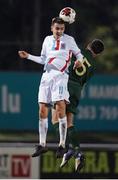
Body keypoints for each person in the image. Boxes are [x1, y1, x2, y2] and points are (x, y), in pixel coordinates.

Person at [18, 17, 83, 157]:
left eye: (62, 29)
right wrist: (28, 56)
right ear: (52, 28)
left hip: (60, 76)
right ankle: (42, 145)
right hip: (46, 76)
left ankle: (62, 145)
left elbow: (80, 55)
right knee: (42, 110)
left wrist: (79, 62)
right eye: (57, 28)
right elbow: (43, 59)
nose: (59, 31)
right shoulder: (47, 40)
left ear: (64, 29)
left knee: (60, 108)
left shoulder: (69, 40)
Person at [51, 39, 104, 172]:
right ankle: (77, 152)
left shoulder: (78, 51)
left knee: (55, 119)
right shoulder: (93, 66)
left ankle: (66, 147)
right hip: (77, 90)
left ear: (88, 45)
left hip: (66, 84)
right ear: (97, 54)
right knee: (69, 123)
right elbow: (83, 82)